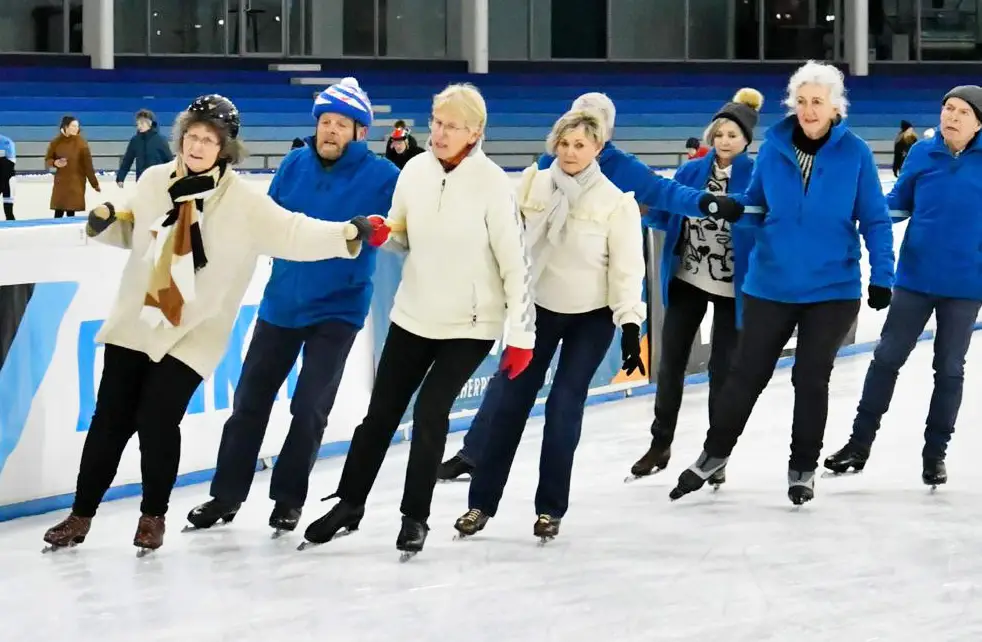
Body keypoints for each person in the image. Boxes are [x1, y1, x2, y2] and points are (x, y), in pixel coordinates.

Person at [41, 94, 382, 555]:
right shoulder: (153, 180)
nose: (198, 146)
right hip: (139, 318)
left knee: (158, 417)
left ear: (225, 149)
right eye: (192, 136)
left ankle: (152, 515)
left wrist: (345, 234)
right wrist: (105, 225)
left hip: (194, 329)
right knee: (109, 421)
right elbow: (137, 231)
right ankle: (80, 516)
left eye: (209, 139)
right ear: (180, 138)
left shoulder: (242, 202)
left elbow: (294, 231)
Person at [437, 90, 744, 482]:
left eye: (591, 126)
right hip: (543, 294)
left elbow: (667, 193)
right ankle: (474, 451)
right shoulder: (550, 164)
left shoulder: (622, 168)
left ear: (604, 136)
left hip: (592, 304)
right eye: (575, 121)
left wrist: (708, 204)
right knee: (511, 377)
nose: (577, 139)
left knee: (565, 396)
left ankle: (551, 492)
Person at [301, 83, 536, 557]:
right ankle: (349, 503)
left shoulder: (492, 182)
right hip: (415, 313)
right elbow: (403, 234)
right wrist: (385, 233)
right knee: (380, 415)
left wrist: (521, 335)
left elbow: (516, 262)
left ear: (474, 132)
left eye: (451, 126)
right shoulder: (414, 170)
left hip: (470, 324)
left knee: (431, 413)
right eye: (436, 122)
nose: (440, 133)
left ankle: (415, 516)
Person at [668, 60, 896, 506]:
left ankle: (803, 467)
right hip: (770, 284)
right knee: (745, 375)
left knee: (811, 377)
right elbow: (755, 203)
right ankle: (714, 454)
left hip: (832, 288)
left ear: (835, 107)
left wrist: (883, 275)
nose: (809, 110)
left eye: (818, 102)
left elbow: (874, 218)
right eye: (803, 101)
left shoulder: (856, 153)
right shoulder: (773, 148)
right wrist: (734, 207)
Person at [187, 78, 399, 536]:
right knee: (248, 403)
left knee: (308, 408)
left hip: (337, 310)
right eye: (325, 122)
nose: (330, 131)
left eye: (342, 124)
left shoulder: (385, 178)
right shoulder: (294, 163)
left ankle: (288, 499)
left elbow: (404, 230)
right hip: (281, 303)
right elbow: (265, 222)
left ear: (360, 132)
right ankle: (225, 496)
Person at [452, 109, 648, 541]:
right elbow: (503, 239)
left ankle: (549, 509)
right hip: (535, 310)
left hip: (591, 317)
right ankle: (480, 505)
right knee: (508, 406)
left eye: (580, 145)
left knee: (563, 407)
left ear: (598, 149)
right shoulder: (532, 184)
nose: (570, 152)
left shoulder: (617, 203)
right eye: (564, 143)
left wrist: (630, 325)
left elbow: (626, 270)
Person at [824, 85, 982, 487]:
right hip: (915, 278)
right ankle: (858, 446)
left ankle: (935, 455)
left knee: (948, 369)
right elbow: (898, 203)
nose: (951, 116)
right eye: (947, 107)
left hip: (965, 285)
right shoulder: (921, 153)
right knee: (886, 359)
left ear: (978, 121)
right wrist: (861, 215)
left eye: (962, 111)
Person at [629, 88, 763, 483]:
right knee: (670, 363)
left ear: (746, 141)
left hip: (731, 288)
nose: (724, 141)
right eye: (719, 134)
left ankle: (714, 453)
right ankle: (660, 443)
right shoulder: (691, 171)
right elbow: (669, 211)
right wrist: (645, 211)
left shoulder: (756, 175)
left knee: (723, 370)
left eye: (732, 136)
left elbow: (762, 223)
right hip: (688, 277)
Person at [45, 115, 100, 218]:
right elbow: (48, 160)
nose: (76, 129)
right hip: (61, 184)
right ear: (66, 127)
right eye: (73, 126)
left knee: (71, 212)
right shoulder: (55, 142)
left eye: (77, 126)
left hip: (76, 184)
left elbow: (88, 166)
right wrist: (55, 163)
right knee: (58, 212)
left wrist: (94, 184)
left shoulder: (81, 143)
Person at [115, 109, 173, 187]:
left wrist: (173, 179)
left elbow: (169, 161)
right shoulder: (135, 140)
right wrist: (120, 178)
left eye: (142, 123)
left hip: (158, 182)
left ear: (150, 123)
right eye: (138, 124)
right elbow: (127, 160)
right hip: (141, 181)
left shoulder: (161, 140)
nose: (139, 126)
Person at [0, 133, 14, 220]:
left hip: (8, 178)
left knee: (8, 212)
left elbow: (11, 163)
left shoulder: (6, 141)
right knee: (9, 212)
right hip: (8, 177)